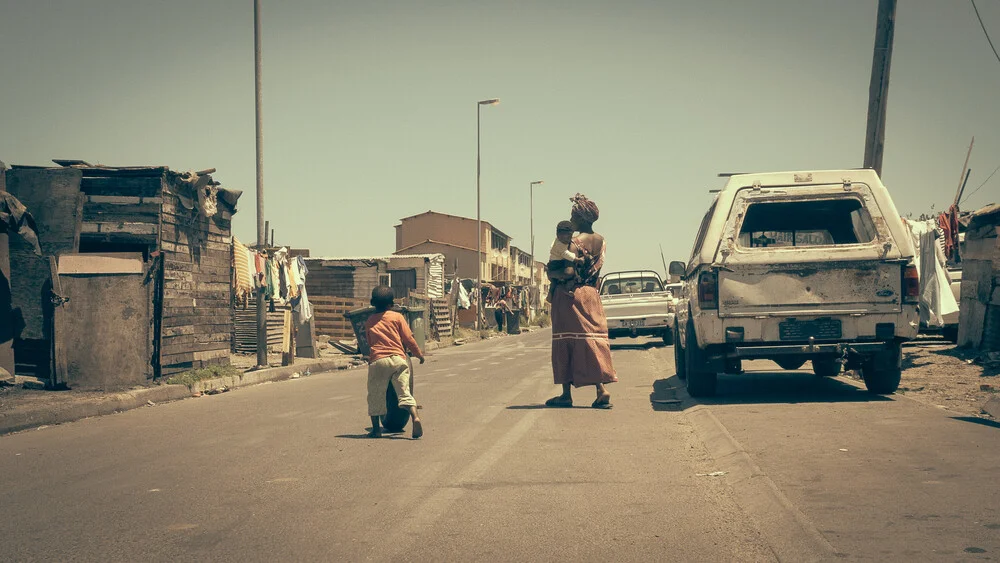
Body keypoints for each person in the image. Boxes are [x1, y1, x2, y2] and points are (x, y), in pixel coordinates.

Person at [545, 193, 617, 409]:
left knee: (566, 342)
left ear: (582, 219)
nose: (571, 220)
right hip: (591, 295)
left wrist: (551, 273)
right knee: (590, 340)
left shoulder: (573, 243)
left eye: (573, 216)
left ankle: (566, 394)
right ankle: (601, 389)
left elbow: (567, 271)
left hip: (569, 296)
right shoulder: (602, 241)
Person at [364, 286, 425, 439]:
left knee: (375, 394)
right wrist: (419, 354)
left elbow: (369, 343)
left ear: (373, 303)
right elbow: (409, 339)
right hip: (399, 359)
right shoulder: (397, 317)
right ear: (391, 304)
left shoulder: (370, 321)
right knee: (404, 392)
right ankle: (415, 417)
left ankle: (376, 430)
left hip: (379, 361)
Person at [546, 220, 585, 304]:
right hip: (556, 263)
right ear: (558, 235)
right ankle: (566, 290)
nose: (567, 239)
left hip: (557, 261)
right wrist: (577, 259)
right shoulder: (559, 244)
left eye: (569, 236)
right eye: (564, 237)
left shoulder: (561, 241)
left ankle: (550, 295)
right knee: (570, 275)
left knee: (554, 281)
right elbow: (565, 254)